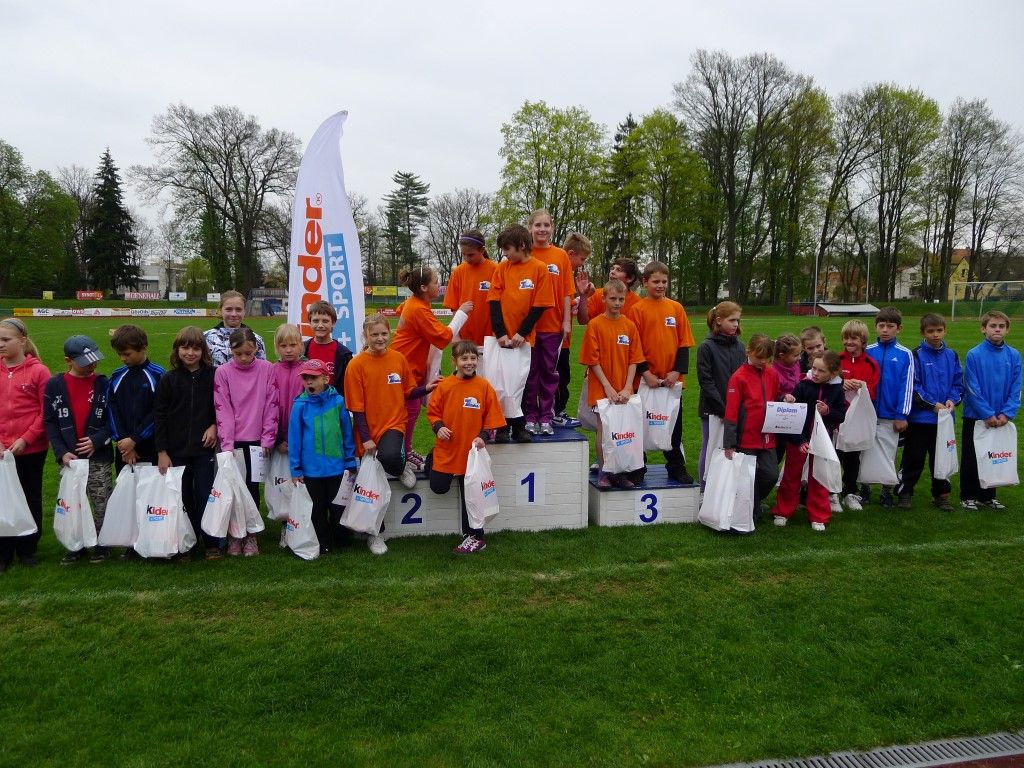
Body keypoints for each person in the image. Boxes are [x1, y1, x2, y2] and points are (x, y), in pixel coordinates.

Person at [426, 340, 506, 555]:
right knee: (439, 487)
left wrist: (483, 437)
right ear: (454, 361)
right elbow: (433, 413)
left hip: (471, 454)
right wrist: (439, 427)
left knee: (471, 495)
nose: (469, 362)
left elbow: (493, 417)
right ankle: (431, 458)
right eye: (464, 358)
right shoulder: (445, 386)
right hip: (447, 449)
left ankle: (475, 536)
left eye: (473, 358)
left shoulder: (484, 386)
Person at [346, 314, 437, 493]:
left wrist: (426, 388)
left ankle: (401, 468)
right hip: (369, 427)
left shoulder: (398, 358)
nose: (380, 338)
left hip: (394, 423)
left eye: (384, 334)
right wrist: (366, 439)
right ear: (365, 336)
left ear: (389, 333)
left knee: (389, 457)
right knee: (371, 474)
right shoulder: (356, 365)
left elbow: (408, 392)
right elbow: (356, 407)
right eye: (374, 335)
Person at [391, 265, 471, 468]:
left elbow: (401, 310)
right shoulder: (418, 309)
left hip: (408, 368)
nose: (439, 284)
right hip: (406, 370)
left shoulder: (414, 303)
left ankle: (406, 450)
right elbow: (444, 338)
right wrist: (461, 314)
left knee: (411, 410)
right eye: (436, 281)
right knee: (410, 411)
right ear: (424, 288)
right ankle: (404, 453)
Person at [44, 335, 113, 564]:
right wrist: (61, 451)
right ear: (68, 361)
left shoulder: (103, 383)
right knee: (73, 502)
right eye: (85, 362)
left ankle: (103, 544)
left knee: (102, 501)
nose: (92, 365)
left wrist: (98, 440)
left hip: (98, 456)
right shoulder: (55, 385)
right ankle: (76, 544)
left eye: (94, 360)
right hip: (70, 459)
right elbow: (50, 422)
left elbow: (113, 420)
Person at [154, 326, 219, 559]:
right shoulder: (168, 379)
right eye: (185, 348)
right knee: (182, 498)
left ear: (203, 351)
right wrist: (162, 451)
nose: (190, 353)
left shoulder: (214, 375)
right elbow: (160, 416)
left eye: (196, 348)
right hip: (177, 450)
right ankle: (187, 542)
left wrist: (215, 425)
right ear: (177, 350)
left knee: (206, 495)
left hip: (204, 450)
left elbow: (222, 406)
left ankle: (211, 542)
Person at [628, 260, 696, 484]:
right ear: (645, 282)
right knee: (640, 425)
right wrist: (646, 373)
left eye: (664, 282)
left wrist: (677, 371)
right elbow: (634, 347)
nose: (660, 285)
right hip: (644, 381)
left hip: (671, 382)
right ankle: (638, 468)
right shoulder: (637, 310)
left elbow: (684, 343)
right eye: (656, 281)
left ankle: (676, 466)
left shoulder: (676, 308)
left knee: (673, 426)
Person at [214, 327, 279, 557]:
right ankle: (235, 534)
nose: (243, 358)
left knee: (251, 489)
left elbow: (272, 404)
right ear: (230, 351)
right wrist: (227, 444)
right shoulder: (222, 372)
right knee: (233, 489)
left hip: (257, 442)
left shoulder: (267, 369)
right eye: (238, 353)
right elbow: (222, 409)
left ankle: (251, 534)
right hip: (233, 443)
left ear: (256, 350)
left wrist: (267, 438)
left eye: (248, 353)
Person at [486, 223, 555, 443]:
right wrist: (500, 333)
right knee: (500, 383)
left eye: (507, 249)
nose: (505, 254)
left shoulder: (539, 269)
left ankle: (520, 426)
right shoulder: (502, 268)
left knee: (522, 384)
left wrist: (522, 334)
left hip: (523, 340)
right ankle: (502, 427)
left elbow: (540, 305)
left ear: (522, 245)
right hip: (502, 340)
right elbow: (493, 301)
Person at [288, 359, 358, 555]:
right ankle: (323, 542)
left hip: (337, 468)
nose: (309, 382)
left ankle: (342, 539)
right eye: (305, 378)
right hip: (311, 471)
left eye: (313, 377)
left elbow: (347, 433)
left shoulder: (338, 402)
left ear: (325, 379)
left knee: (338, 507)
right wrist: (296, 468)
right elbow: (294, 439)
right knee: (317, 509)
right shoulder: (300, 405)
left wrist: (349, 460)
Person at [894, 313, 963, 511]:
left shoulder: (952, 355)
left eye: (939, 330)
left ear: (945, 331)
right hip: (920, 419)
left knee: (941, 458)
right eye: (930, 331)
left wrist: (952, 400)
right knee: (913, 458)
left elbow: (958, 383)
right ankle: (905, 492)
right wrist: (932, 404)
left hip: (944, 421)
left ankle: (941, 495)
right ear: (923, 333)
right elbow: (913, 386)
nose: (935, 335)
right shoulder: (915, 355)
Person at [771, 351, 846, 531]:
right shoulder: (803, 385)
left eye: (821, 370)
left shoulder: (837, 389)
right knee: (791, 475)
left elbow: (841, 416)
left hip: (822, 441)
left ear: (833, 373)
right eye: (814, 368)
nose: (816, 373)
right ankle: (782, 511)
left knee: (819, 477)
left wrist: (828, 411)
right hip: (798, 440)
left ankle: (818, 515)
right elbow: (792, 416)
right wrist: (799, 441)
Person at [581, 279, 645, 489]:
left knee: (623, 431)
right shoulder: (595, 325)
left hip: (624, 389)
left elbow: (634, 360)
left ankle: (620, 471)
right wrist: (607, 386)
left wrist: (627, 387)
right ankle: (604, 471)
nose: (617, 303)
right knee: (604, 429)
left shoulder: (629, 326)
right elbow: (592, 360)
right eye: (613, 299)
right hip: (602, 388)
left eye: (621, 299)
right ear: (604, 299)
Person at [0, 319, 50, 572]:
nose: (1, 344)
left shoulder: (39, 372)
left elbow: (45, 411)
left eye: (5, 339)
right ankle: (4, 550)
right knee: (3, 498)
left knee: (30, 496)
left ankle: (28, 547)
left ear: (22, 341)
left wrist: (26, 438)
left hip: (31, 449)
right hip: (1, 450)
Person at [959, 310, 1021, 511]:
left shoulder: (1014, 355)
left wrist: (1007, 413)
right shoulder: (974, 354)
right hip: (976, 416)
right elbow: (972, 387)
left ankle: (987, 496)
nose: (997, 330)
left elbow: (1016, 387)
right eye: (993, 326)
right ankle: (968, 495)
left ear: (1007, 330)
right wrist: (986, 413)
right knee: (972, 457)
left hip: (1000, 417)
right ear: (983, 329)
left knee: (994, 455)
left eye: (1001, 326)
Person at [723, 334, 789, 520]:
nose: (763, 362)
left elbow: (775, 397)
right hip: (746, 438)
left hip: (767, 436)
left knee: (771, 474)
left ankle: (754, 501)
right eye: (759, 357)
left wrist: (784, 398)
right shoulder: (738, 377)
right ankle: (749, 510)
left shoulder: (772, 374)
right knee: (746, 477)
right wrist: (730, 443)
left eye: (767, 358)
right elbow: (731, 412)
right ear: (748, 352)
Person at [522, 209, 574, 435]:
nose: (542, 229)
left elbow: (566, 292)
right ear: (530, 228)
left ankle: (546, 417)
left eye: (546, 225)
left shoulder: (560, 255)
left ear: (552, 227)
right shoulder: (524, 254)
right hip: (529, 328)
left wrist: (566, 321)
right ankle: (530, 416)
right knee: (530, 374)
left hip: (553, 326)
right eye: (538, 225)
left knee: (549, 374)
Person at [865, 307, 914, 507]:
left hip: (891, 413)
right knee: (864, 450)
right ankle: (864, 488)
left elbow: (906, 386)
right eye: (881, 326)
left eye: (890, 326)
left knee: (888, 453)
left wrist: (901, 414)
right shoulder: (867, 351)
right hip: (867, 413)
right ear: (875, 327)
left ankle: (886, 491)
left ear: (899, 329)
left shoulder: (905, 354)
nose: (885, 330)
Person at [696, 301, 745, 489]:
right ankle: (704, 489)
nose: (736, 324)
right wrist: (723, 410)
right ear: (718, 320)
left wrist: (736, 409)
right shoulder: (706, 347)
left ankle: (728, 490)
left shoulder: (740, 347)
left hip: (736, 410)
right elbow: (706, 382)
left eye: (738, 320)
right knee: (710, 447)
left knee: (733, 449)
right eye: (732, 320)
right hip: (712, 410)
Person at [108, 325, 164, 482]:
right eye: (119, 354)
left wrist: (134, 439)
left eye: (127, 354)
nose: (122, 359)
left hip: (150, 446)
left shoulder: (158, 374)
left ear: (143, 348)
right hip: (123, 448)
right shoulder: (117, 375)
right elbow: (111, 409)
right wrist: (123, 442)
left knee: (150, 493)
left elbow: (159, 411)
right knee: (125, 491)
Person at [837, 320, 880, 511]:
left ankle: (849, 492)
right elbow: (825, 382)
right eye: (846, 338)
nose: (849, 342)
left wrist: (861, 386)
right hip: (837, 416)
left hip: (857, 418)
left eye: (854, 338)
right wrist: (841, 384)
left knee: (852, 457)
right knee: (834, 455)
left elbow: (873, 391)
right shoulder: (836, 359)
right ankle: (831, 492)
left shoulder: (871, 364)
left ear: (863, 340)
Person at [552, 232, 592, 428]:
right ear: (571, 253)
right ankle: (556, 412)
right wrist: (575, 302)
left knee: (562, 375)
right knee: (559, 376)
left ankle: (555, 412)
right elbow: (555, 301)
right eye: (582, 259)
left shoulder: (566, 272)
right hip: (555, 336)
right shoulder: (559, 271)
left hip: (563, 337)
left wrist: (578, 301)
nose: (582, 264)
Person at [443, 229, 495, 349]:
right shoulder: (458, 272)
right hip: (464, 341)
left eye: (470, 255)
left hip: (491, 339)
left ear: (482, 250)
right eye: (463, 254)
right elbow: (454, 307)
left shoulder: (496, 270)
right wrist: (456, 335)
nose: (466, 258)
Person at [302, 300, 353, 395]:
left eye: (325, 321)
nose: (320, 325)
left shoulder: (344, 354)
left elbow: (349, 386)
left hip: (334, 402)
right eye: (316, 321)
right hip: (308, 402)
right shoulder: (302, 349)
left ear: (333, 323)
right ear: (310, 322)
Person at [205, 290, 267, 366]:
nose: (234, 314)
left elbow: (262, 369)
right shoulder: (207, 337)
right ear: (220, 311)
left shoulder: (257, 339)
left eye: (238, 309)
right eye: (229, 309)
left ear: (244, 312)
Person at [576, 257, 641, 325]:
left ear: (630, 278)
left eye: (618, 270)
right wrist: (583, 296)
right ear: (603, 298)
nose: (612, 272)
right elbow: (582, 321)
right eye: (612, 269)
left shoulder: (637, 303)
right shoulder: (597, 294)